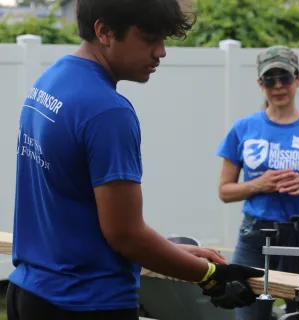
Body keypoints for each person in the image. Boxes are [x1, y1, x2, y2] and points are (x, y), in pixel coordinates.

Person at [6, 0, 264, 319]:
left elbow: (79, 212)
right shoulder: (108, 111)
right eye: (149, 38)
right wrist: (210, 277)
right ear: (104, 31)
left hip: (30, 293)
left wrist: (177, 253)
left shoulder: (51, 81)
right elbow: (125, 235)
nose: (161, 52)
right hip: (86, 302)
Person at [216, 45, 299, 319]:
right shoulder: (243, 128)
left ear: (298, 79)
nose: (278, 86)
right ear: (260, 84)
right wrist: (258, 185)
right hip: (255, 236)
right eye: (270, 80)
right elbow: (224, 191)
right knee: (248, 311)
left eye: (285, 78)